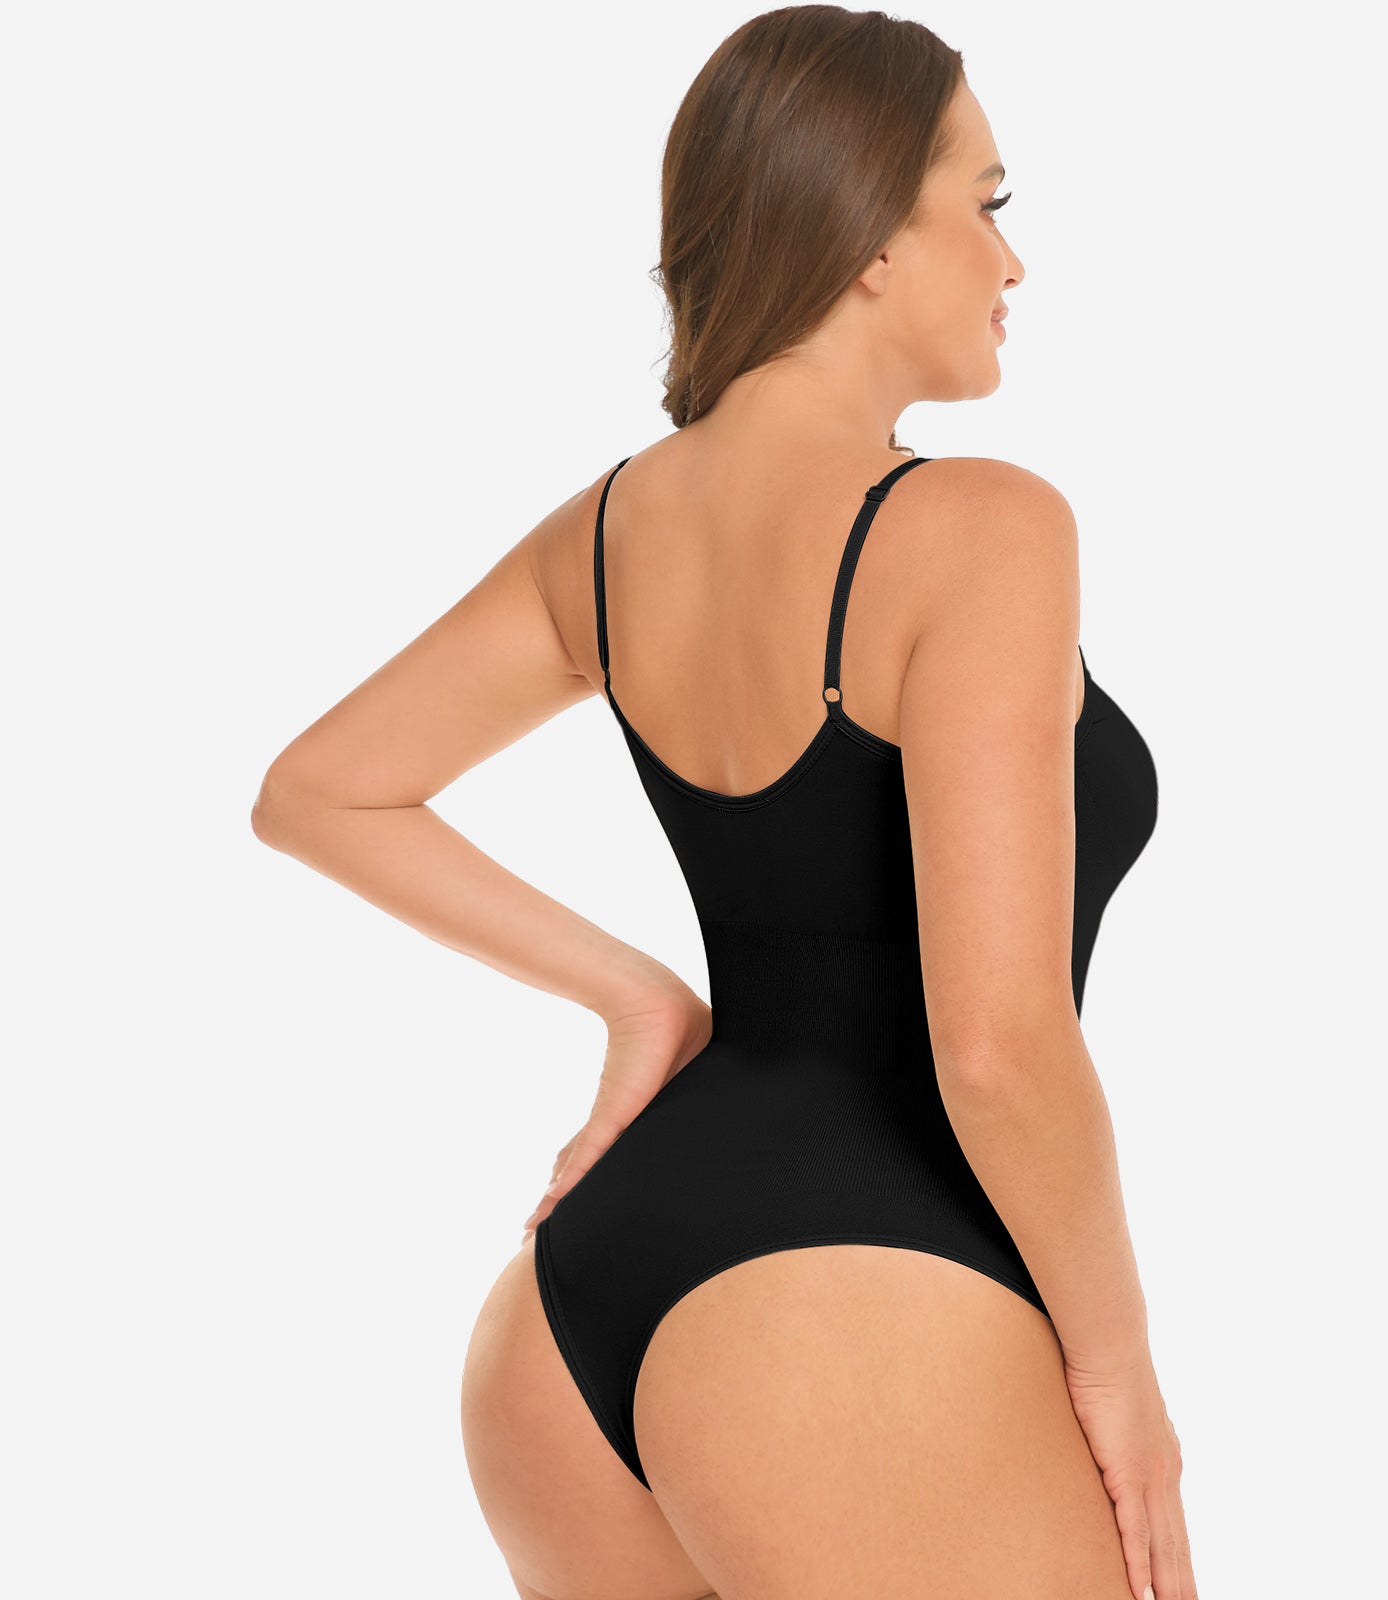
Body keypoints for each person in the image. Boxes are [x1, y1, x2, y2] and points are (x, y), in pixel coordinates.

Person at [253, 6, 1192, 1597]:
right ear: (871, 232)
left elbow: (323, 792)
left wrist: (641, 1005)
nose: (1014, 262)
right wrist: (1121, 1378)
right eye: (987, 204)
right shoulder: (983, 528)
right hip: (850, 1315)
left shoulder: (607, 533)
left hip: (568, 1325)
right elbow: (995, 1048)